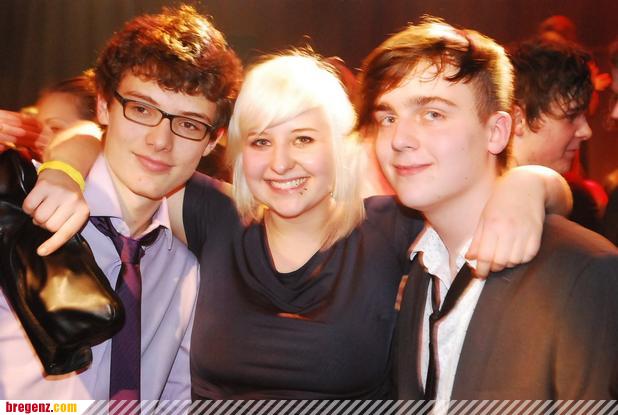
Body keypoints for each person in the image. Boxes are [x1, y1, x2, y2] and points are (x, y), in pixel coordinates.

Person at [15, 49, 568, 402]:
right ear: (238, 154)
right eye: (261, 141)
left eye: (303, 139)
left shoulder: (389, 227)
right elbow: (113, 142)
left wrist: (530, 184)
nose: (280, 164)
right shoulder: (217, 217)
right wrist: (64, 170)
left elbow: (539, 198)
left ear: (342, 146)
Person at [357, 17, 618, 405]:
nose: (399, 139)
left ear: (496, 132)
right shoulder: (421, 271)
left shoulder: (582, 271)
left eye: (433, 114)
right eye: (388, 118)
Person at [0, 4, 242, 402]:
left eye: (188, 124)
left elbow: (174, 399)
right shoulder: (19, 213)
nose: (160, 141)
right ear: (102, 106)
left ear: (211, 141)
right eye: (142, 109)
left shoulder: (185, 271)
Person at [509, 38, 606, 233]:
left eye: (584, 115)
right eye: (571, 116)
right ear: (519, 120)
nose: (586, 131)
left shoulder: (578, 202)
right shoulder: (468, 198)